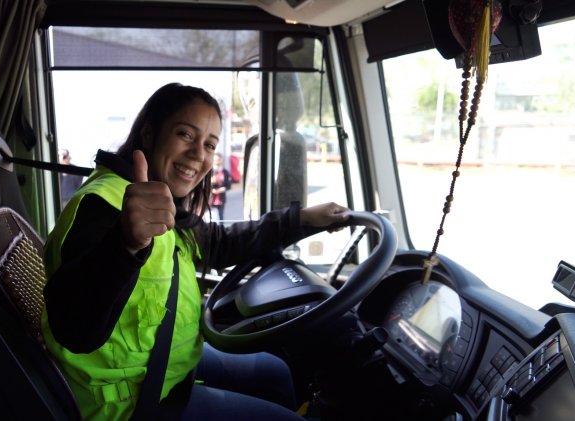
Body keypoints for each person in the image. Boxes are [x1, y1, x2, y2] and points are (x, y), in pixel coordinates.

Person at [40, 82, 350, 421]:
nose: (198, 155)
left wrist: (300, 220)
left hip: (169, 361)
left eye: (209, 144)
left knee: (276, 373)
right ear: (148, 133)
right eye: (185, 135)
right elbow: (73, 328)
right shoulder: (105, 205)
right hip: (128, 402)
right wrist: (124, 244)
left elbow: (217, 241)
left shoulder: (161, 201)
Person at [209, 153, 231, 221]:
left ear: (221, 160)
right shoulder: (209, 172)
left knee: (220, 218)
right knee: (210, 218)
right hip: (210, 200)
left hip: (221, 200)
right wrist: (211, 182)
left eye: (218, 160)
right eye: (215, 160)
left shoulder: (225, 172)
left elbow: (228, 186)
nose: (217, 161)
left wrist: (220, 190)